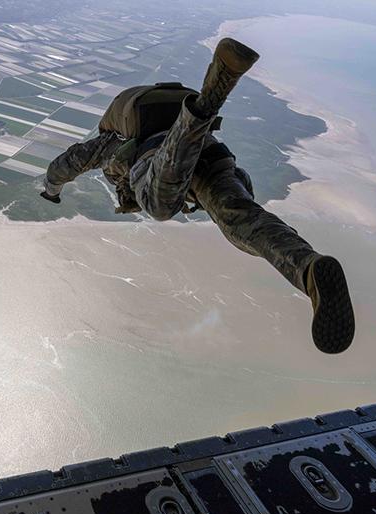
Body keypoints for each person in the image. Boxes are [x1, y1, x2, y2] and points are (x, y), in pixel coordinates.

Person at [40, 38, 354, 354]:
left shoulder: (111, 140)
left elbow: (67, 163)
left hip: (170, 155)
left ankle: (208, 101)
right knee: (242, 223)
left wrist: (52, 191)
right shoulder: (125, 132)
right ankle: (308, 269)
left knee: (160, 205)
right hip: (211, 155)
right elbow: (66, 165)